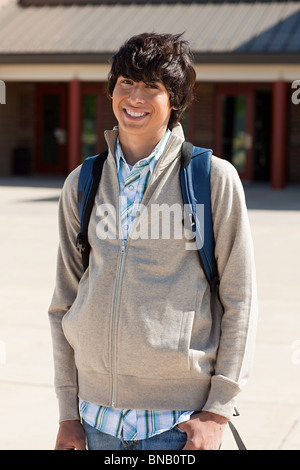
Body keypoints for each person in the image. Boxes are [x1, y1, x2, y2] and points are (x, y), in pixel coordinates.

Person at [49, 32, 257, 451]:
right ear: (111, 92)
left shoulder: (212, 179)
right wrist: (68, 412)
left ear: (174, 101)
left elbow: (241, 298)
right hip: (95, 422)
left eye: (151, 86)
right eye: (125, 82)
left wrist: (218, 411)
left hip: (178, 425)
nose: (135, 96)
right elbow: (64, 303)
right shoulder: (82, 183)